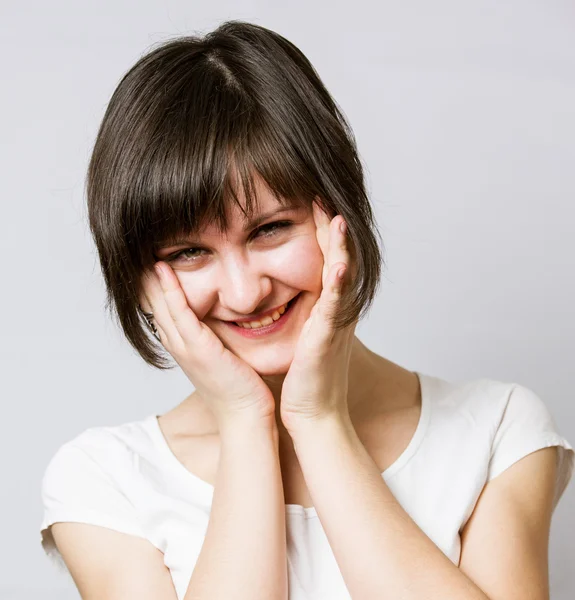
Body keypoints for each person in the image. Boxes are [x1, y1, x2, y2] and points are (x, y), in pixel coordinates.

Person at [40, 20, 574, 600]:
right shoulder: (106, 482)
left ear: (337, 212)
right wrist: (246, 421)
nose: (245, 294)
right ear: (140, 277)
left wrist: (320, 421)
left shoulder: (496, 433)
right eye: (190, 252)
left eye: (270, 230)